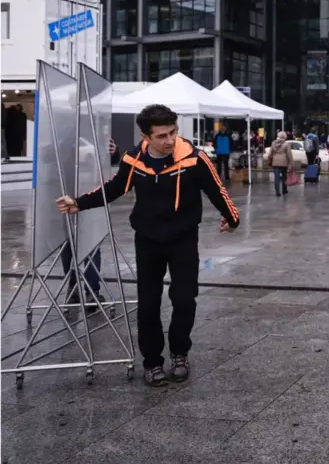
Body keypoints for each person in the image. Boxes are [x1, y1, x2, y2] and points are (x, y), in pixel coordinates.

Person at [56, 104, 240, 388]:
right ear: (146, 137)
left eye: (173, 132)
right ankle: (152, 363)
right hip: (148, 240)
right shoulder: (134, 160)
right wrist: (78, 202)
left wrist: (232, 218)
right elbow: (115, 188)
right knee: (148, 304)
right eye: (162, 135)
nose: (170, 140)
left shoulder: (194, 158)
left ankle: (179, 354)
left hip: (183, 239)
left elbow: (217, 190)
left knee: (183, 298)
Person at [60, 137, 121, 311]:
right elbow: (49, 157)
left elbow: (112, 162)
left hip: (91, 196)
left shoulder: (97, 130)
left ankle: (92, 290)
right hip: (66, 195)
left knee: (92, 244)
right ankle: (73, 287)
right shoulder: (63, 133)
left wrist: (113, 152)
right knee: (68, 245)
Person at [267, 131, 292, 196]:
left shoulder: (273, 143)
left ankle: (277, 192)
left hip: (275, 162)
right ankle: (284, 190)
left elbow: (270, 153)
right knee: (284, 177)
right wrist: (291, 163)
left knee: (276, 177)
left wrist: (269, 159)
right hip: (284, 163)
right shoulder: (286, 144)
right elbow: (289, 155)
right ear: (284, 137)